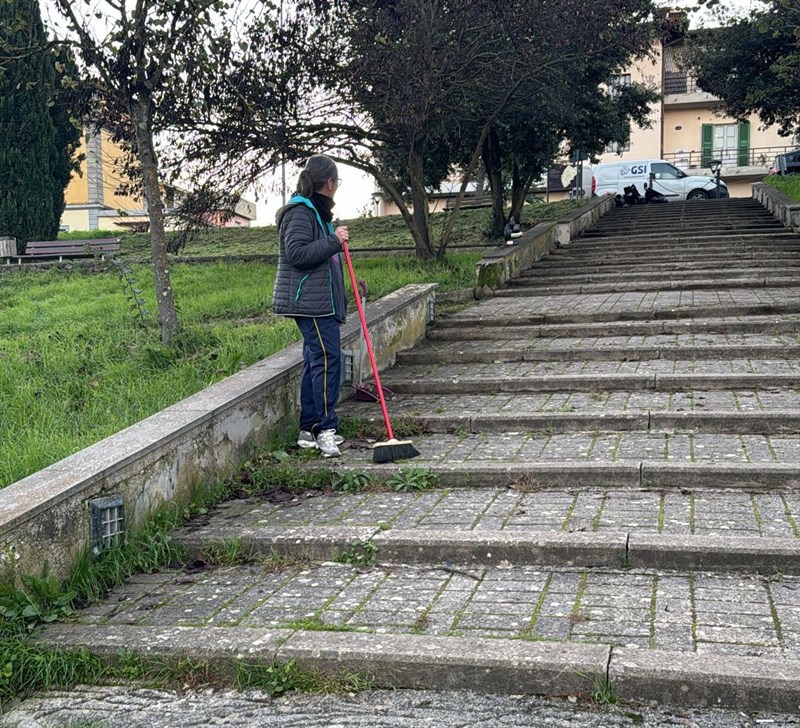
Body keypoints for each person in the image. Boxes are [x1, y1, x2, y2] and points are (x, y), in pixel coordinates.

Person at [272, 155, 350, 458]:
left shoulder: (316, 212)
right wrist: (333, 241)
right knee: (329, 361)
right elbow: (297, 254)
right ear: (330, 183)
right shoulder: (300, 212)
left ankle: (308, 428)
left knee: (315, 359)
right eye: (337, 182)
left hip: (319, 301)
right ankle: (325, 429)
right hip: (310, 303)